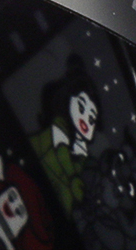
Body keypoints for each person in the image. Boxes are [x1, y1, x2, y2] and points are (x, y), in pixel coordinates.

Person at [29, 55, 100, 211]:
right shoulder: (58, 130)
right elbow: (60, 154)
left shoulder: (83, 158)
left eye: (91, 119)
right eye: (81, 107)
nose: (85, 120)